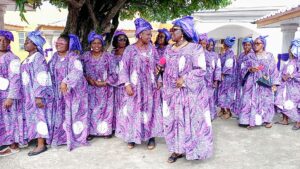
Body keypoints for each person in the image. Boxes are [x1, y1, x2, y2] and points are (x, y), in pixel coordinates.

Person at [162, 16, 213, 163]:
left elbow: (201, 69)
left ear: (183, 32)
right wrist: (160, 67)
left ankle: (193, 150)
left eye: (174, 30)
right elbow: (164, 64)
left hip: (190, 93)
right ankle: (176, 150)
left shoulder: (195, 48)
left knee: (191, 120)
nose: (171, 32)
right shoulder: (169, 49)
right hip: (172, 93)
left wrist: (184, 79)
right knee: (175, 121)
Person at [116, 18, 163, 150]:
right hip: (134, 87)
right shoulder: (130, 50)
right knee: (132, 110)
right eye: (147, 34)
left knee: (150, 111)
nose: (150, 36)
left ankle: (150, 137)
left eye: (150, 34)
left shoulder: (152, 50)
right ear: (140, 34)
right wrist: (126, 84)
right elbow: (123, 68)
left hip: (150, 88)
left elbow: (158, 66)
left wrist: (159, 80)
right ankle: (132, 137)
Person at [49, 34, 89, 150]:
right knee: (61, 115)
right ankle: (61, 138)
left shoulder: (74, 57)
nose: (58, 44)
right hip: (59, 93)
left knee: (74, 115)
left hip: (74, 93)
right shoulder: (54, 57)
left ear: (69, 45)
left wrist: (65, 81)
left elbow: (77, 71)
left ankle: (76, 138)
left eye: (62, 43)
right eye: (57, 42)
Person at [21, 31, 54, 156]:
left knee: (40, 117)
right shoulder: (28, 58)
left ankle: (41, 145)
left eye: (28, 42)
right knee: (34, 118)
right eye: (25, 41)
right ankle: (38, 141)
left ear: (35, 45)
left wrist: (38, 96)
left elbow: (41, 76)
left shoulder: (38, 58)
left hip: (36, 95)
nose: (25, 43)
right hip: (29, 94)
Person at [81, 31, 117, 139]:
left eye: (99, 43)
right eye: (94, 43)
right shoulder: (85, 56)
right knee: (91, 109)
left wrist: (104, 82)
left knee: (106, 110)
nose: (96, 45)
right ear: (90, 44)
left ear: (102, 44)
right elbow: (79, 71)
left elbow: (115, 72)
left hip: (105, 88)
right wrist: (88, 79)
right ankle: (91, 132)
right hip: (90, 87)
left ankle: (105, 132)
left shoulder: (108, 56)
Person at [238, 36, 279, 129]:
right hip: (251, 81)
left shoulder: (269, 56)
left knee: (266, 100)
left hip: (264, 80)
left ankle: (267, 120)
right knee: (249, 100)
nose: (255, 45)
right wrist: (249, 69)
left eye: (258, 43)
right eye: (254, 43)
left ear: (263, 45)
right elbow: (242, 67)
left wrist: (274, 84)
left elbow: (274, 70)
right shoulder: (249, 56)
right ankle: (249, 120)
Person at [0, 30, 24, 156]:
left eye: (5, 40)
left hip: (7, 94)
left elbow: (15, 79)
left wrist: (10, 97)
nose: (2, 43)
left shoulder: (13, 58)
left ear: (9, 42)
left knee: (10, 119)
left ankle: (13, 145)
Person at [275, 39, 300, 130]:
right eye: (290, 49)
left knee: (295, 103)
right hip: (285, 85)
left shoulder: (298, 61)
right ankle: (285, 119)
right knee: (283, 101)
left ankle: (298, 121)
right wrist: (282, 76)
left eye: (292, 49)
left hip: (295, 87)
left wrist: (291, 75)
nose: (290, 51)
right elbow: (282, 71)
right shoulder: (289, 60)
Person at [111, 30, 130, 133]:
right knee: (117, 105)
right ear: (116, 41)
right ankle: (118, 127)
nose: (123, 41)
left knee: (126, 105)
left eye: (124, 39)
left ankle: (126, 127)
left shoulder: (129, 51)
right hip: (116, 83)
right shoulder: (113, 52)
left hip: (126, 82)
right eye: (120, 39)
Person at [199, 33, 221, 120]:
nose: (202, 45)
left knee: (209, 98)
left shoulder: (210, 55)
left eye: (204, 43)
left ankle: (210, 115)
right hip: (198, 80)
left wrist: (216, 80)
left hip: (209, 80)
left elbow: (217, 67)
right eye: (200, 43)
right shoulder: (195, 53)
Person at [218, 36, 236, 119]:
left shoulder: (230, 53)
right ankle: (223, 110)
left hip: (228, 78)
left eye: (224, 44)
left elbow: (228, 65)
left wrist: (222, 73)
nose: (223, 45)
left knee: (228, 95)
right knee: (222, 94)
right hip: (224, 78)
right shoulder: (225, 53)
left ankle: (228, 112)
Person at [235, 37, 254, 117]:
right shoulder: (241, 55)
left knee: (247, 97)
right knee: (240, 96)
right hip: (240, 78)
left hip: (249, 78)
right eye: (245, 45)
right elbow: (238, 66)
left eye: (248, 45)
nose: (246, 46)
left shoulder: (253, 55)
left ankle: (247, 115)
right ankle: (241, 114)